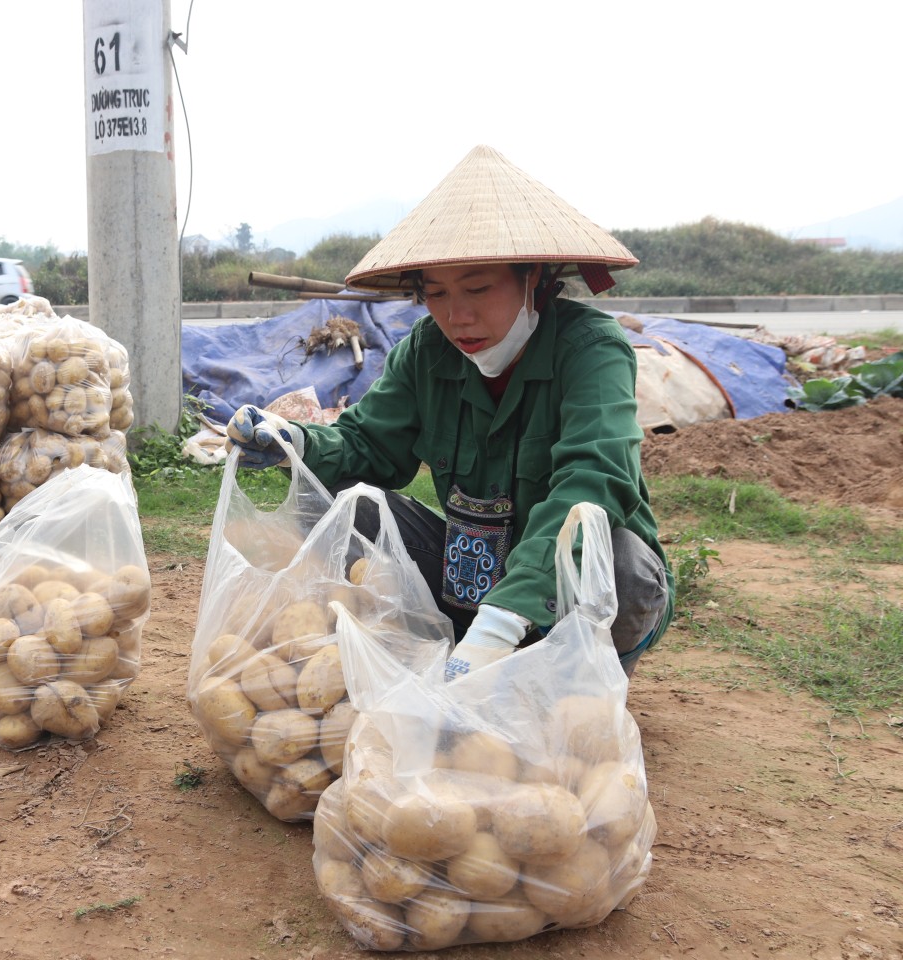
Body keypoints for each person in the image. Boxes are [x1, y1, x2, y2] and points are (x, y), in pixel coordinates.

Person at [227, 145, 673, 681]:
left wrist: (505, 620)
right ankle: (445, 644)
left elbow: (594, 478)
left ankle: (563, 668)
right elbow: (368, 447)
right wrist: (294, 443)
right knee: (327, 498)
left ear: (533, 278)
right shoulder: (426, 349)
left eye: (478, 289)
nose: (457, 316)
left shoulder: (592, 349)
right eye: (435, 294)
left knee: (618, 559)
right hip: (468, 578)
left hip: (560, 592)